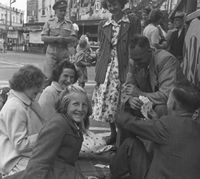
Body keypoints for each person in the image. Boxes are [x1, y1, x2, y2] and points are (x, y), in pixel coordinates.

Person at [110, 82, 200, 179]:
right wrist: (156, 120)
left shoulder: (167, 124)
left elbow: (130, 123)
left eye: (169, 98)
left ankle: (112, 175)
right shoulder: (196, 126)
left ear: (173, 104)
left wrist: (117, 112)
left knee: (130, 145)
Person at [91, 0, 141, 145]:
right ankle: (113, 133)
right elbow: (101, 47)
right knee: (108, 101)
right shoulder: (103, 24)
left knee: (122, 100)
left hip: (125, 65)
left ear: (121, 4)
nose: (112, 8)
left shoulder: (132, 21)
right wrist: (98, 66)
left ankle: (122, 136)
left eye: (115, 4)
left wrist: (134, 64)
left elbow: (137, 42)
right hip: (107, 67)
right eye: (109, 5)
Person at [23, 85, 91, 179]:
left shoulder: (72, 123)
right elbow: (39, 160)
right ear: (65, 105)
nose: (80, 109)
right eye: (75, 104)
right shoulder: (58, 124)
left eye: (84, 105)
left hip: (63, 171)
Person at [125, 35, 186, 119]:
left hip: (174, 104)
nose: (135, 64)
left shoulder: (166, 60)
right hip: (149, 101)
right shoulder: (134, 61)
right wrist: (131, 99)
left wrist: (140, 94)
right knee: (123, 107)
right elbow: (128, 88)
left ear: (150, 51)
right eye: (133, 59)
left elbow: (166, 96)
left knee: (161, 108)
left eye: (139, 60)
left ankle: (161, 131)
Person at [0, 65, 46, 177]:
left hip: (22, 157)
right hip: (15, 161)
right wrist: (44, 134)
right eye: (37, 87)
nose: (40, 90)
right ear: (26, 85)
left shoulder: (26, 101)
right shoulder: (15, 107)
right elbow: (20, 144)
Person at [41, 0, 77, 79]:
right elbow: (43, 37)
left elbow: (74, 38)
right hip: (51, 53)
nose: (63, 13)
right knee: (48, 76)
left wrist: (64, 39)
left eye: (64, 11)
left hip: (64, 54)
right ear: (56, 11)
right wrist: (55, 39)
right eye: (61, 11)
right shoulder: (49, 22)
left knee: (63, 76)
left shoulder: (69, 23)